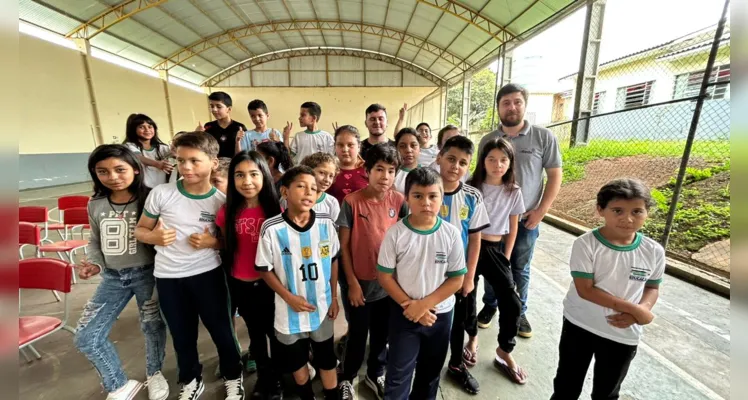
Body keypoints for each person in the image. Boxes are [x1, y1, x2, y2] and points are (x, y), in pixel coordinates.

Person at [134, 132, 244, 400]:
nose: (186, 168)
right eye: (181, 161)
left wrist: (212, 242)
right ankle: (190, 379)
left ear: (213, 163)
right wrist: (154, 237)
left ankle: (233, 375)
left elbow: (230, 244)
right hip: (169, 277)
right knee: (182, 335)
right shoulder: (162, 194)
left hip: (208, 276)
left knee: (222, 331)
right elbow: (140, 230)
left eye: (194, 161)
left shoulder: (220, 201)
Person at [550, 178, 664, 400]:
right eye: (618, 211)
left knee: (607, 392)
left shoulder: (653, 251)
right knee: (566, 385)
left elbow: (652, 286)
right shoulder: (586, 244)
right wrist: (634, 309)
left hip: (622, 333)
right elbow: (586, 290)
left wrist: (642, 308)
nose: (628, 219)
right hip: (580, 324)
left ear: (647, 213)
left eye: (637, 211)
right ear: (600, 210)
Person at [74, 144, 169, 400]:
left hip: (148, 274)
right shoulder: (95, 204)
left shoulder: (151, 198)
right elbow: (95, 240)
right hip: (113, 278)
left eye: (119, 169)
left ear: (136, 170)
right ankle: (119, 385)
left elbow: (164, 235)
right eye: (103, 171)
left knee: (152, 326)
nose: (112, 177)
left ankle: (154, 373)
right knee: (86, 337)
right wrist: (95, 263)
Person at [476, 83, 563, 338]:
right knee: (492, 266)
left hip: (525, 219)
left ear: (524, 104)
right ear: (499, 107)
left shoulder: (543, 137)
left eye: (517, 102)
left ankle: (519, 311)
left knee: (519, 268)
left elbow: (555, 175)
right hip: (490, 222)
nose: (512, 107)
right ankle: (490, 305)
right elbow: (481, 177)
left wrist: (541, 211)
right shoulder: (488, 140)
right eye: (506, 103)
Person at [377, 167, 467, 400]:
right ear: (406, 198)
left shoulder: (451, 234)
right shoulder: (396, 234)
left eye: (432, 196)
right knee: (398, 374)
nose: (426, 202)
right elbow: (384, 276)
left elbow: (457, 279)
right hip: (403, 314)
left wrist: (423, 305)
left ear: (441, 197)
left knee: (429, 374)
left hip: (441, 315)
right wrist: (410, 306)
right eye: (418, 196)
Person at [255, 166, 341, 400]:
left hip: (321, 308)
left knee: (326, 359)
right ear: (285, 191)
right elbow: (264, 269)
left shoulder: (325, 224)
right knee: (297, 362)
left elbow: (333, 261)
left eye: (313, 188)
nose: (309, 192)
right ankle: (306, 396)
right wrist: (288, 297)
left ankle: (332, 396)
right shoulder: (272, 228)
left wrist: (333, 298)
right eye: (301, 186)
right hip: (288, 312)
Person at [336, 144, 407, 400]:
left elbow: (406, 240)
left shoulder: (399, 201)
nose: (385, 176)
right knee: (357, 334)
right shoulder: (351, 202)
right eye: (379, 169)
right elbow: (343, 247)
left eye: (391, 170)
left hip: (388, 286)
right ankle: (348, 376)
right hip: (360, 286)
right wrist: (352, 283)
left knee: (381, 333)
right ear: (367, 170)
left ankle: (375, 372)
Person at [217, 151, 284, 400]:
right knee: (255, 336)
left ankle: (277, 379)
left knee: (275, 334)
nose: (247, 181)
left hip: (271, 285)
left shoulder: (277, 210)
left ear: (264, 176)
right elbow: (225, 245)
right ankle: (265, 380)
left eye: (254, 174)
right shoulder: (227, 212)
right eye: (240, 175)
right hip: (241, 285)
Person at [466, 137, 527, 384]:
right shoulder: (471, 186)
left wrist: (507, 258)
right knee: (466, 296)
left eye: (503, 160)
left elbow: (513, 227)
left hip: (494, 249)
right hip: (470, 246)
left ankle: (504, 350)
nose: (497, 164)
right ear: (483, 161)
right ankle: (472, 337)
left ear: (510, 162)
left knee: (512, 301)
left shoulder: (513, 191)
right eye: (491, 159)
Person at [434, 136, 490, 394]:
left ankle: (456, 364)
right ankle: (424, 364)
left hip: (458, 275)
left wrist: (469, 277)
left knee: (457, 322)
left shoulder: (472, 196)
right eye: (451, 159)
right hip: (427, 273)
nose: (456, 166)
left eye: (463, 162)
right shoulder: (424, 189)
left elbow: (476, 239)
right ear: (439, 158)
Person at [122, 113, 173, 188]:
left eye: (150, 127)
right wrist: (157, 164)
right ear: (133, 130)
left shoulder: (162, 148)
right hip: (141, 189)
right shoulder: (129, 146)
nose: (147, 130)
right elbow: (137, 157)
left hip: (161, 189)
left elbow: (178, 154)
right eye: (141, 127)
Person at [198, 91, 248, 158]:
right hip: (214, 166)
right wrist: (197, 134)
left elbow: (244, 153)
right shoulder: (208, 126)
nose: (214, 110)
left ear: (229, 109)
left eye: (219, 106)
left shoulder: (239, 127)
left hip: (234, 165)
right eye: (212, 106)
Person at [328, 125, 368, 204]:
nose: (345, 149)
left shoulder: (369, 169)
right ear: (335, 146)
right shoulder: (328, 170)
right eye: (340, 145)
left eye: (350, 145)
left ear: (359, 146)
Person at [299, 152, 341, 223]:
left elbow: (335, 229)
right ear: (308, 171)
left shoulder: (332, 202)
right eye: (322, 173)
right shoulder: (292, 197)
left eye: (331, 176)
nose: (327, 180)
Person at [392, 128, 421, 193]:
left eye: (413, 145)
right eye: (402, 146)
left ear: (420, 149)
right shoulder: (391, 174)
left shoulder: (427, 173)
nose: (408, 150)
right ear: (396, 149)